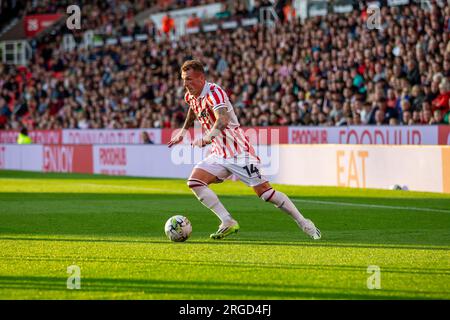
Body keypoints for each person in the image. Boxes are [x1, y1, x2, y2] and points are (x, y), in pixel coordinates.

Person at [168, 60, 321, 240]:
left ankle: (304, 223)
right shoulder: (190, 95)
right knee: (195, 182)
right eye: (184, 79)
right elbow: (193, 110)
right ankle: (227, 221)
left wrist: (208, 137)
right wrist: (183, 131)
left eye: (190, 79)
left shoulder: (215, 93)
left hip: (239, 152)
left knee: (265, 193)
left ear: (202, 78)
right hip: (219, 153)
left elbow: (222, 120)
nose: (186, 84)